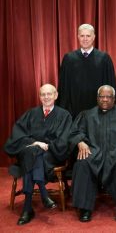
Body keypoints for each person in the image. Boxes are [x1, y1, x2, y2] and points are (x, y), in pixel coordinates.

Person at [69, 85, 116, 223]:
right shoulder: (86, 115)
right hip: (93, 152)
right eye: (101, 96)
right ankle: (85, 207)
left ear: (114, 98)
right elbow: (75, 132)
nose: (104, 99)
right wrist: (80, 142)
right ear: (97, 98)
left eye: (108, 96)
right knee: (83, 163)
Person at [4, 84, 72, 225]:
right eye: (43, 94)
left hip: (51, 152)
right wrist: (36, 143)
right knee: (33, 152)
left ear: (56, 95)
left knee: (33, 155)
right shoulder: (31, 114)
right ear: (39, 96)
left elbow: (63, 140)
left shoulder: (64, 115)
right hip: (31, 151)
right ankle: (43, 193)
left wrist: (42, 146)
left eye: (49, 94)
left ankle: (27, 208)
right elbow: (18, 135)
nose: (46, 97)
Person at [57, 23, 116, 119]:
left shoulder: (104, 58)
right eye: (82, 36)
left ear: (93, 37)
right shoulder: (69, 59)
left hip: (98, 110)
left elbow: (110, 85)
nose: (85, 39)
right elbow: (63, 87)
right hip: (74, 109)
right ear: (78, 37)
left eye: (88, 36)